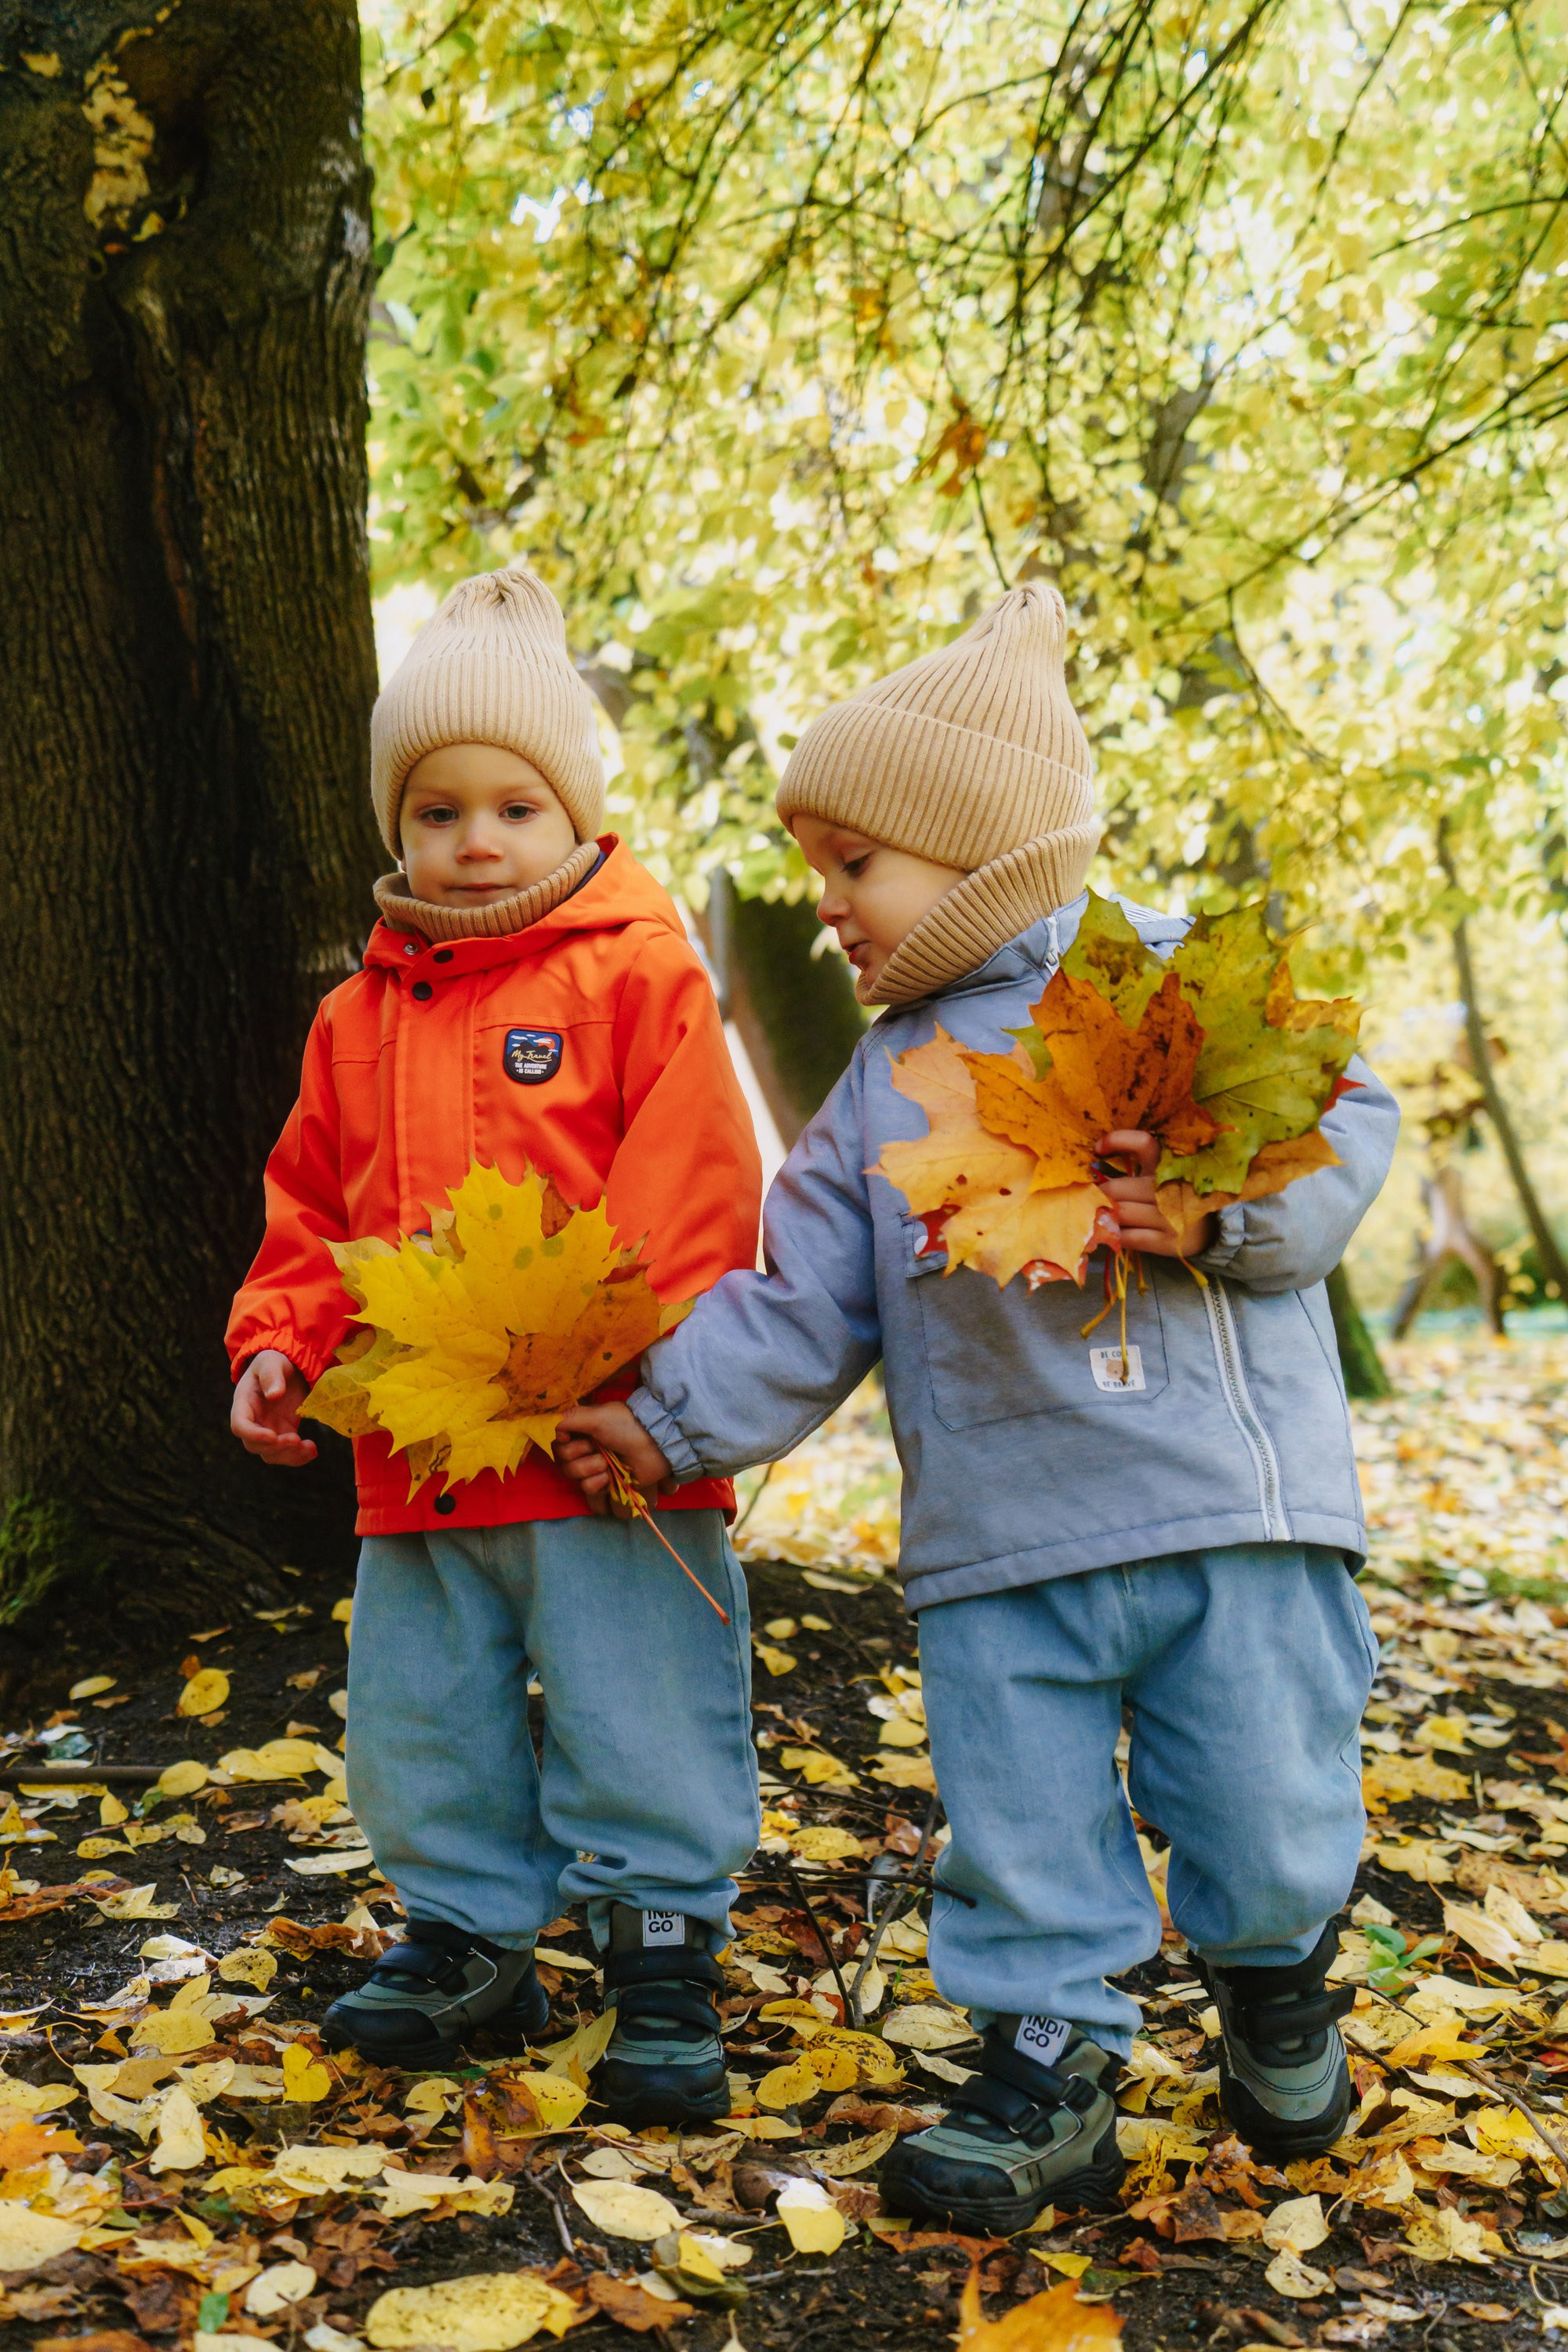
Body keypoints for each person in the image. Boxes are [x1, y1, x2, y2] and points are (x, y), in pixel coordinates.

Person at [556, 580, 1399, 2228]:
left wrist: (1224, 1216)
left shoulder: (1175, 982)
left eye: (853, 866)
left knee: (1268, 1798)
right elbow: (806, 1295)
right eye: (815, 874)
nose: (827, 909)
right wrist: (667, 1423)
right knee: (1019, 1827)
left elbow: (1339, 1129)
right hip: (998, 1541)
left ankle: (1280, 1977)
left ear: (988, 844)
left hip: (1230, 1511)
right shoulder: (880, 1080)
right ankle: (1046, 2057)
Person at [227, 566, 763, 2123]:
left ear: (577, 815)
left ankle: (661, 1935)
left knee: (641, 1699)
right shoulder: (356, 1019)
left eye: (516, 807)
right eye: (438, 810)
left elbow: (696, 1187)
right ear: (397, 829)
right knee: (422, 1711)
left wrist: (623, 1362)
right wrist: (277, 1343)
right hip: (419, 1457)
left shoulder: (638, 970)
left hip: (605, 1446)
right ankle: (467, 1928)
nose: (475, 840)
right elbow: (313, 1211)